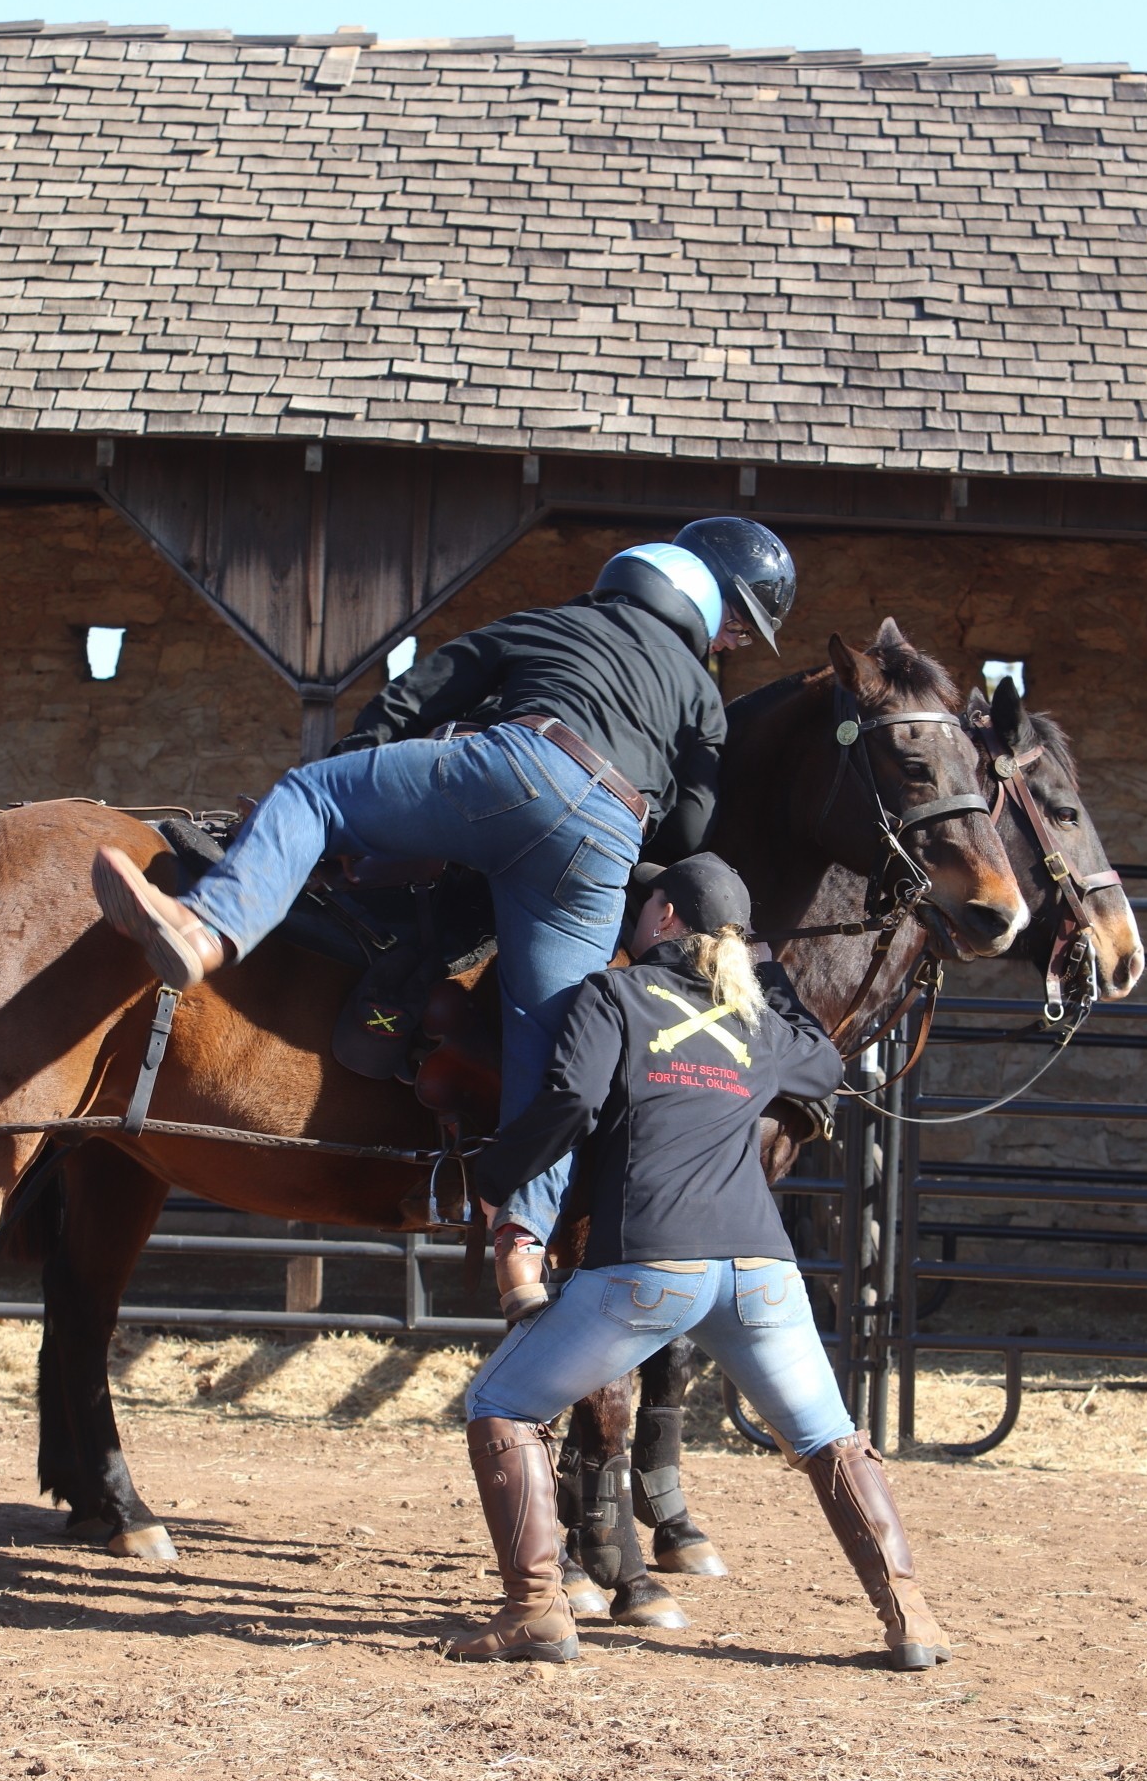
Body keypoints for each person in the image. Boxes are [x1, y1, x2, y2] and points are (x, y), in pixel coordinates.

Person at [91, 521, 797, 1323]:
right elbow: (690, 832)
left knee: (311, 795)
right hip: (604, 838)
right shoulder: (701, 693)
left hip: (511, 769)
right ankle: (522, 1248)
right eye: (736, 623)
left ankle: (202, 931)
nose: (734, 638)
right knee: (548, 1044)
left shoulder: (551, 623)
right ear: (698, 605)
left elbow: (414, 695)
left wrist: (360, 766)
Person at [446, 852, 951, 1673]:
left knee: (500, 1404)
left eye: (646, 906)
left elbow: (570, 1101)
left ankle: (534, 1612)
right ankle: (912, 1618)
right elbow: (824, 1064)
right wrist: (760, 971)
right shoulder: (757, 1021)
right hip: (759, 1271)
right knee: (830, 1438)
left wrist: (497, 1179)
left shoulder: (612, 994)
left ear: (665, 921)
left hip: (649, 1266)